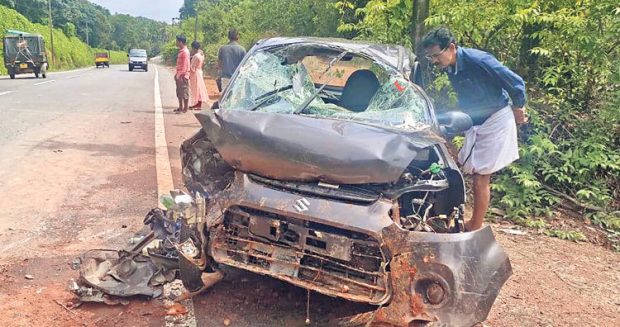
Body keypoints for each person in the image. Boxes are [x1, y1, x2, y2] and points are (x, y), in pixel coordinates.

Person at [421, 27, 528, 231]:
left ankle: (475, 226)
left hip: (496, 119)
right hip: (476, 120)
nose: (434, 61)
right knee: (460, 166)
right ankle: (449, 216)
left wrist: (518, 107)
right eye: (430, 57)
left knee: (481, 175)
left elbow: (516, 82)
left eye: (436, 55)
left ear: (451, 47)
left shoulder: (479, 60)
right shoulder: (451, 68)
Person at [189, 41, 210, 110]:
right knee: (199, 88)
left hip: (195, 73)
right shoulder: (201, 54)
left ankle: (196, 104)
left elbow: (192, 67)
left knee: (196, 89)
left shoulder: (196, 56)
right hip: (199, 71)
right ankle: (198, 104)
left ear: (193, 48)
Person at [174, 35, 191, 113]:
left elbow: (185, 65)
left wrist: (181, 75)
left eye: (177, 41)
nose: (176, 42)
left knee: (184, 91)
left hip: (183, 75)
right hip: (179, 74)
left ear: (180, 42)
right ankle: (181, 107)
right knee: (179, 91)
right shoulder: (181, 51)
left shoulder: (185, 52)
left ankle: (185, 108)